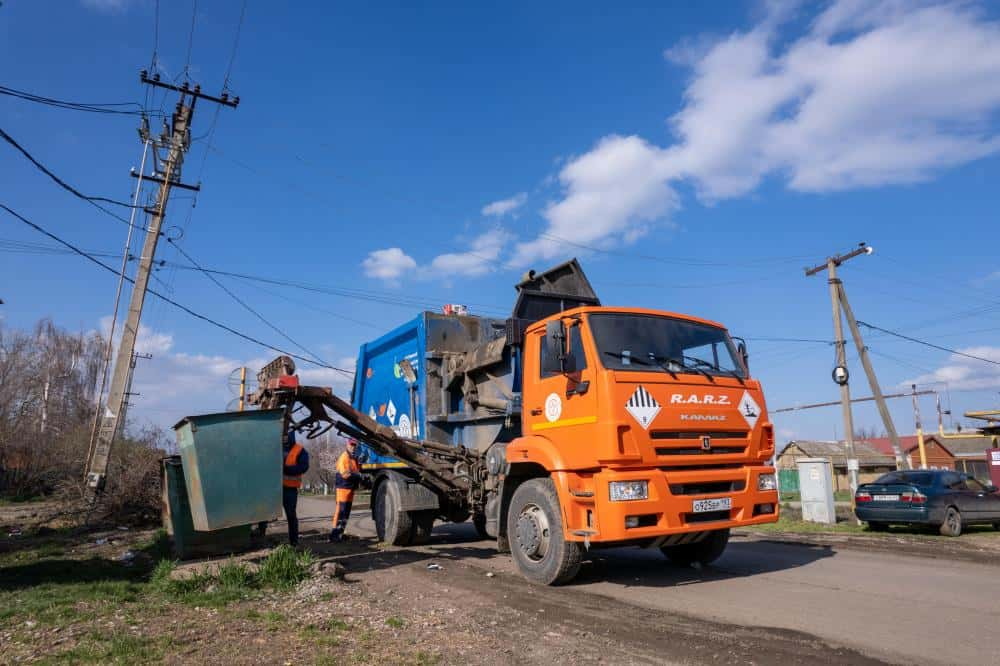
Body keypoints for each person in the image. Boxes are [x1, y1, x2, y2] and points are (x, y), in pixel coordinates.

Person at [329, 438, 363, 542]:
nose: (353, 447)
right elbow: (345, 474)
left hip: (349, 489)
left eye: (354, 445)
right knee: (341, 512)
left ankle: (340, 533)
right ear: (347, 445)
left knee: (346, 513)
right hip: (343, 489)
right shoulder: (344, 457)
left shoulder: (353, 458)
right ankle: (334, 535)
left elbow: (356, 471)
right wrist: (358, 476)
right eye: (351, 445)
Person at [279, 429, 309, 546]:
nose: (284, 438)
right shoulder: (275, 447)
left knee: (291, 515)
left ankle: (294, 542)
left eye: (286, 436)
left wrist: (286, 469)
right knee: (265, 513)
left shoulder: (300, 450)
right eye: (283, 436)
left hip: (289, 489)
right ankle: (261, 535)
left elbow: (303, 467)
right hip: (274, 489)